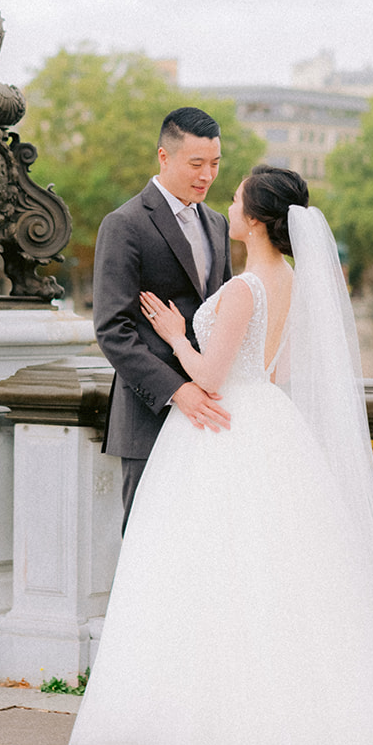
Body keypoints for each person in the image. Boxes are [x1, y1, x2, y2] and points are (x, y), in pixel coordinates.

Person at [70, 166, 373, 745]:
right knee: (277, 581)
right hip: (272, 425)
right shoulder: (290, 281)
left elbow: (215, 376)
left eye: (234, 197)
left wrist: (175, 335)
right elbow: (275, 368)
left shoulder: (242, 290)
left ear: (254, 219)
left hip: (223, 428)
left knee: (206, 576)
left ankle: (197, 726)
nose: (224, 201)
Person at [91, 107, 234, 530]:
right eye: (196, 164)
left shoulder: (218, 223)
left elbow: (222, 314)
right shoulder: (124, 224)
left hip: (210, 413)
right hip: (148, 416)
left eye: (215, 164)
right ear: (163, 157)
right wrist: (178, 391)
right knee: (146, 543)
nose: (207, 175)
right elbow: (112, 330)